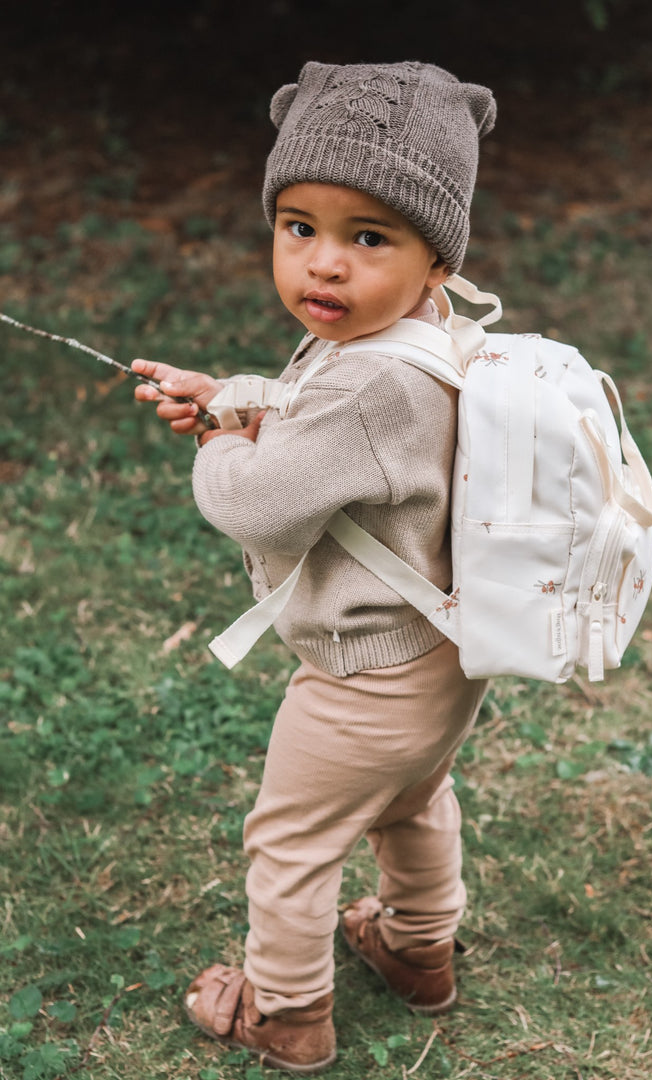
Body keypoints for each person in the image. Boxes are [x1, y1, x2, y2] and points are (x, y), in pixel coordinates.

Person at [133, 60, 496, 1074]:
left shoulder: (375, 383)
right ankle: (418, 948)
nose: (323, 265)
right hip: (436, 657)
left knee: (289, 840)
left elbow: (256, 500)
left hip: (362, 673)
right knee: (411, 798)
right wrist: (234, 401)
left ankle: (286, 1013)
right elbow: (321, 431)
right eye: (300, 228)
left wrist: (217, 446)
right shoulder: (416, 337)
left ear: (437, 258)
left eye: (367, 238)